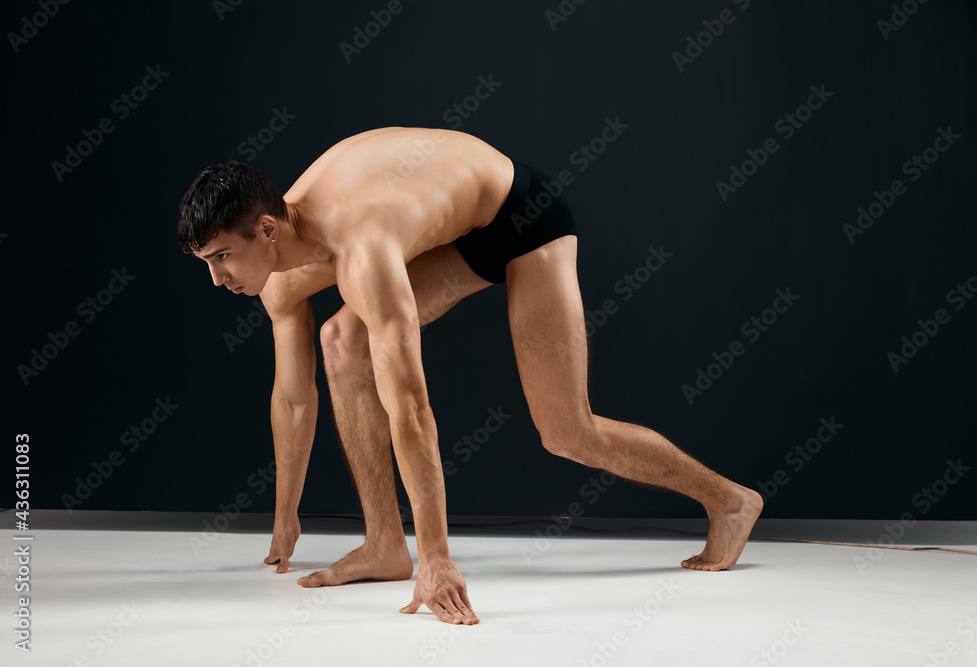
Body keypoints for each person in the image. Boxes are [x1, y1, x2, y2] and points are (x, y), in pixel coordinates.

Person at [176, 127, 763, 626]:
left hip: (520, 213)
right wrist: (285, 515)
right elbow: (293, 399)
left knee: (567, 431)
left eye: (222, 256)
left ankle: (730, 501)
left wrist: (438, 555)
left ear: (268, 229)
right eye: (207, 263)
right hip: (452, 224)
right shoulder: (275, 278)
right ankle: (384, 545)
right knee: (340, 339)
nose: (217, 278)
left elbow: (409, 405)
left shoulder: (364, 248)